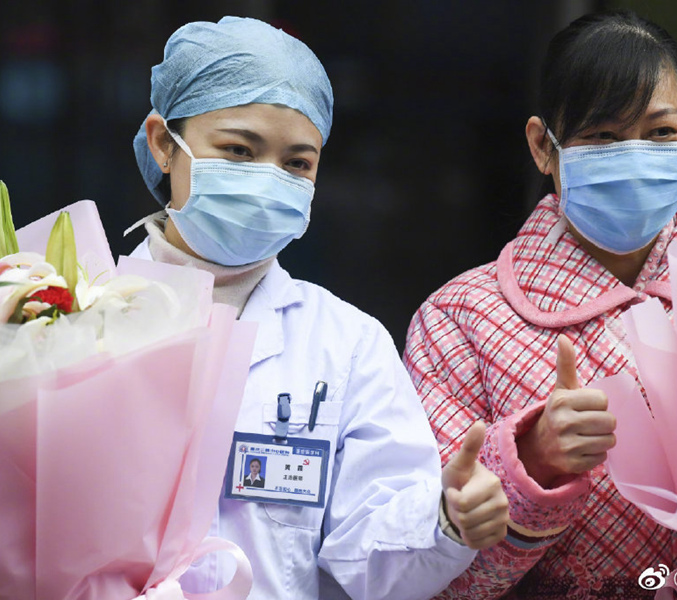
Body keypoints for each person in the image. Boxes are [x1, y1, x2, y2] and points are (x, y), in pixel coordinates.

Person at [128, 16, 509, 600]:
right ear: (162, 143)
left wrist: (443, 521)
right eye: (238, 150)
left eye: (297, 164)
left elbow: (370, 557)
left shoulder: (347, 344)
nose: (268, 180)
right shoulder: (64, 314)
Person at [403, 10, 677, 599]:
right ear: (543, 145)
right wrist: (533, 462)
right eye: (603, 136)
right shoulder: (458, 320)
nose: (635, 156)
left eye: (661, 132)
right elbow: (429, 575)